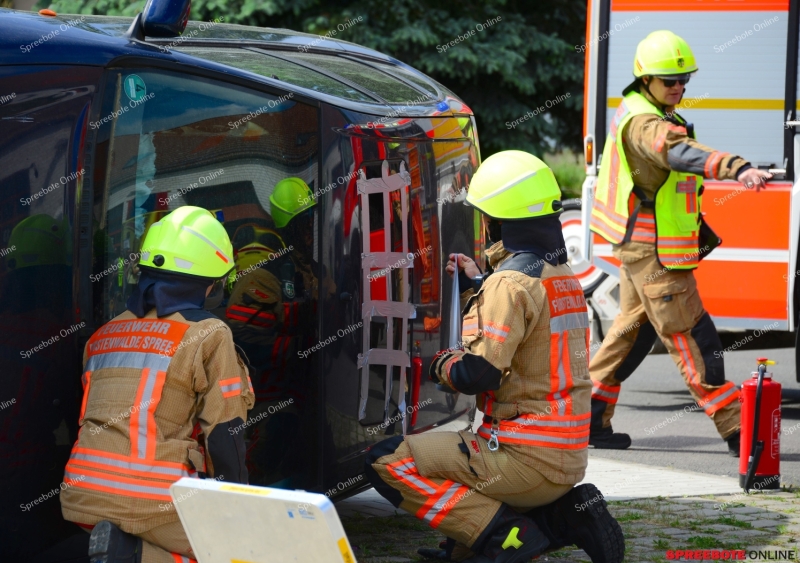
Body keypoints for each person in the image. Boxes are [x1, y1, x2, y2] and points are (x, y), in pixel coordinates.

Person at [365, 151, 624, 563]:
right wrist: (479, 285)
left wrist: (438, 363)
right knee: (462, 555)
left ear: (499, 221)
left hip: (523, 458)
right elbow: (529, 332)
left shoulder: (509, 285)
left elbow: (477, 373)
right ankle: (564, 518)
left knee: (385, 461)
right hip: (568, 457)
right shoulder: (562, 277)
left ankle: (506, 534)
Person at [587, 30, 772, 454]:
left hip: (641, 246)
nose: (679, 87)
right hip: (656, 252)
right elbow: (676, 152)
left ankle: (588, 420)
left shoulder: (643, 108)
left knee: (630, 335)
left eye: (684, 79)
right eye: (669, 80)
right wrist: (735, 167)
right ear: (645, 78)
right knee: (692, 337)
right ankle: (740, 433)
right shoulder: (645, 123)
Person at [60, 206, 254, 563]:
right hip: (151, 499)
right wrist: (234, 506)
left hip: (81, 492)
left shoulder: (105, 333)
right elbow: (225, 433)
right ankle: (131, 554)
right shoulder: (208, 334)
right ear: (209, 283)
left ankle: (120, 548)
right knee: (233, 551)